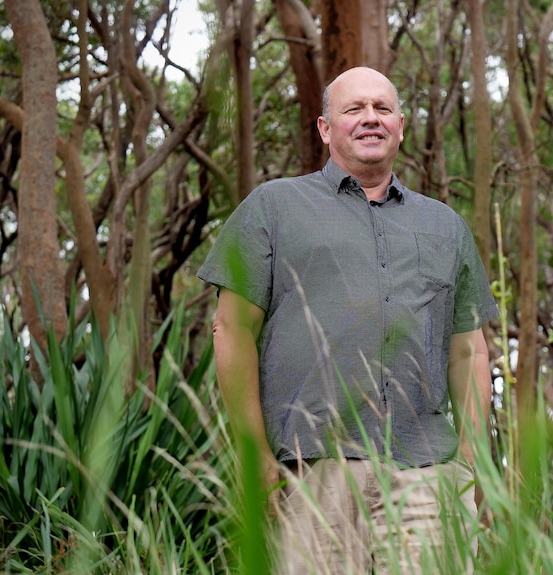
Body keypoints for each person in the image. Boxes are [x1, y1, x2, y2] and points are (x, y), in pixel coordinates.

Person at [197, 66, 499, 574]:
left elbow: (469, 350)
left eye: (382, 109)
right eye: (354, 109)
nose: (370, 119)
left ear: (401, 125)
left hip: (430, 474)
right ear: (324, 128)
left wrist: (474, 463)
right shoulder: (274, 207)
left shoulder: (445, 225)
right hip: (314, 469)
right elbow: (231, 331)